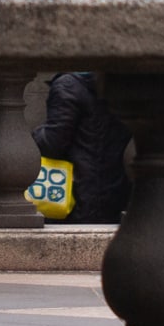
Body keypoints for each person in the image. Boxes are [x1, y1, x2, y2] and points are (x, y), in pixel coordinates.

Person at [34, 72, 132, 224]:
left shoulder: (68, 85)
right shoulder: (121, 83)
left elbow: (51, 143)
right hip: (116, 191)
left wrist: (32, 136)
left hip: (71, 194)